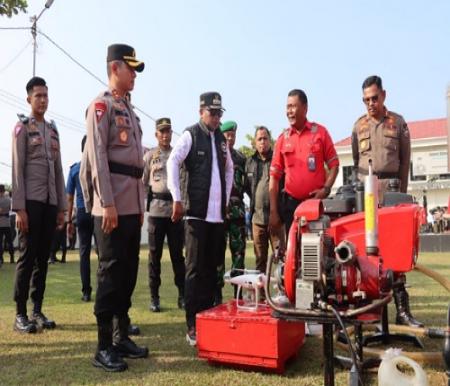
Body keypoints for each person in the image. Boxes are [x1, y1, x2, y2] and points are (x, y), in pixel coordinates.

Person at [80, 44, 148, 372]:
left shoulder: (131, 112)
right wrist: (106, 202)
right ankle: (103, 345)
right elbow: (97, 158)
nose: (134, 75)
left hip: (132, 205)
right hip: (111, 206)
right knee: (110, 271)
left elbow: (137, 166)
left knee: (129, 270)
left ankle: (122, 336)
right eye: (130, 69)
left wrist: (140, 205)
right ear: (115, 68)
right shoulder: (101, 107)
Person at [352, 75, 422, 328]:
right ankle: (367, 310)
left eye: (374, 98)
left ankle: (402, 310)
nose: (370, 103)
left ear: (384, 95)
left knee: (396, 250)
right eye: (366, 100)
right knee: (364, 253)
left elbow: (405, 162)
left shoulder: (398, 123)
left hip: (392, 192)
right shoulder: (358, 126)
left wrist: (402, 197)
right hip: (366, 196)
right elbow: (356, 159)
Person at [167, 92, 233, 346]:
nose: (216, 118)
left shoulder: (220, 140)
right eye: (212, 113)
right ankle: (192, 325)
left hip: (216, 218)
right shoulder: (190, 135)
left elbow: (229, 170)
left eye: (219, 113)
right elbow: (173, 162)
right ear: (201, 111)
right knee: (194, 270)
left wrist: (226, 200)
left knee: (210, 270)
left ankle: (206, 319)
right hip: (195, 214)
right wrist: (177, 198)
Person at [11, 76, 66, 333]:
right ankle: (20, 314)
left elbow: (58, 172)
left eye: (45, 95)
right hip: (30, 203)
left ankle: (37, 310)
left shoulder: (53, 131)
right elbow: (17, 169)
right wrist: (19, 208)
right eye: (38, 96)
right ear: (29, 99)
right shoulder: (22, 128)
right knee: (27, 257)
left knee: (43, 259)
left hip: (48, 204)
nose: (42, 100)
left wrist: (61, 208)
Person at [269, 89, 339, 235]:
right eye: (287, 107)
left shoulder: (320, 133)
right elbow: (274, 178)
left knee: (317, 249)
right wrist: (274, 211)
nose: (290, 111)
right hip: (291, 206)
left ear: (305, 108)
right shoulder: (283, 139)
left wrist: (325, 190)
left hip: (315, 204)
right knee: (293, 251)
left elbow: (334, 165)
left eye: (293, 106)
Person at [143, 117, 185, 313]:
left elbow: (183, 180)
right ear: (156, 134)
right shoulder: (150, 156)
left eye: (168, 131)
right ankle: (154, 297)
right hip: (156, 212)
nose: (166, 135)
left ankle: (182, 295)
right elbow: (143, 183)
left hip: (174, 212)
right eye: (162, 131)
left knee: (178, 256)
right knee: (154, 257)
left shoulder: (178, 155)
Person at [245, 126, 285, 275]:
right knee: (260, 260)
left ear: (270, 140)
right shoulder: (249, 162)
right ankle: (260, 297)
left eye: (265, 138)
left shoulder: (278, 159)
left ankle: (283, 296)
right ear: (255, 142)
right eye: (259, 139)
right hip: (257, 220)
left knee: (282, 259)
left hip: (276, 219)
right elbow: (248, 188)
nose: (262, 141)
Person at [214, 120, 246, 303]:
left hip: (237, 213)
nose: (230, 137)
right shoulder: (216, 155)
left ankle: (238, 293)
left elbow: (247, 186)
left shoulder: (241, 158)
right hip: (219, 212)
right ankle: (216, 293)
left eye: (233, 135)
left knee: (239, 254)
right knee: (218, 253)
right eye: (227, 135)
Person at [67, 135, 93, 301]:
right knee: (104, 253)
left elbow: (69, 197)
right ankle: (105, 289)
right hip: (97, 211)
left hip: (82, 212)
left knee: (84, 253)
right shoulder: (100, 168)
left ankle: (86, 291)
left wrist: (69, 220)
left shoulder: (75, 169)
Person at [0, 184, 14, 265]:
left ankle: (1, 258)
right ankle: (11, 257)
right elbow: (9, 209)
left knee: (1, 241)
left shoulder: (4, 199)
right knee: (9, 241)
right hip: (7, 222)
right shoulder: (8, 199)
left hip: (2, 223)